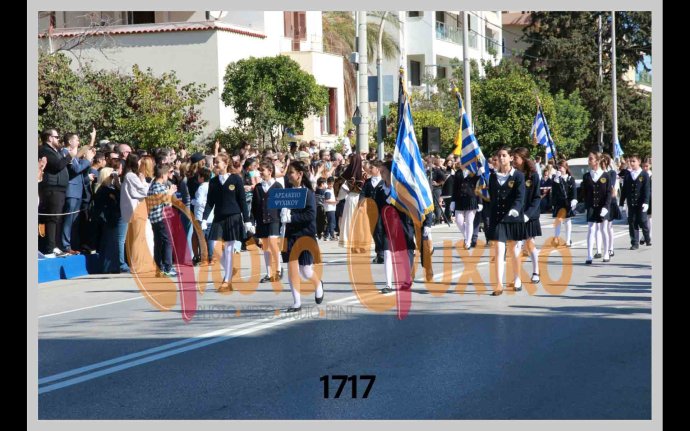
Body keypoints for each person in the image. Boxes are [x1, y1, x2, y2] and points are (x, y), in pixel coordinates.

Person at [200, 154, 250, 291]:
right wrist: (204, 218)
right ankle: (229, 269)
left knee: (228, 248)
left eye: (218, 162)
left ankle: (227, 280)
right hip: (218, 217)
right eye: (215, 162)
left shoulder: (236, 179)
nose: (215, 165)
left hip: (233, 217)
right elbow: (210, 202)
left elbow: (242, 201)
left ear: (226, 163)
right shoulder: (213, 181)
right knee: (214, 247)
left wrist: (247, 220)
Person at [280, 161, 325, 312]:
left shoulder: (308, 193)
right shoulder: (286, 193)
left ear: (299, 174)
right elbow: (277, 209)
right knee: (292, 269)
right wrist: (281, 213)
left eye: (291, 172)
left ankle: (318, 284)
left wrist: (291, 217)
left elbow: (311, 215)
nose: (288, 175)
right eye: (288, 173)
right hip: (290, 235)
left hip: (306, 235)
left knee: (305, 270)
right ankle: (297, 302)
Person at [487, 147, 526, 295]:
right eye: (499, 155)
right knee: (499, 249)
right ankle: (498, 284)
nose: (501, 158)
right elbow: (492, 197)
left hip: (513, 217)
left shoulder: (518, 176)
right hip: (498, 218)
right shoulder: (493, 176)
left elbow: (520, 196)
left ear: (511, 158)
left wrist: (515, 209)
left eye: (504, 155)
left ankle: (517, 278)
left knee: (514, 250)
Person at [512, 147, 542, 283]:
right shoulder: (513, 174)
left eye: (516, 157)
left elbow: (536, 198)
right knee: (516, 246)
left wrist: (528, 214)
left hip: (530, 215)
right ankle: (517, 276)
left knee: (530, 245)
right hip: (516, 215)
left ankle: (536, 271)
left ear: (523, 159)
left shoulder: (533, 176)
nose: (513, 160)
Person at [252, 160, 284, 283]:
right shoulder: (258, 187)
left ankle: (278, 269)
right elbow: (254, 206)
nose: (260, 172)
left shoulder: (278, 186)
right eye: (259, 170)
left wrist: (283, 218)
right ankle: (269, 273)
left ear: (270, 171)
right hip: (261, 220)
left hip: (274, 219)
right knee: (265, 246)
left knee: (272, 242)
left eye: (262, 170)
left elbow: (282, 204)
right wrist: (251, 222)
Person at [146, 164, 178, 277]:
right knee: (167, 241)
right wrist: (170, 193)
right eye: (168, 173)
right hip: (161, 218)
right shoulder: (158, 187)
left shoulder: (154, 186)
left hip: (157, 218)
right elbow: (165, 202)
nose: (168, 176)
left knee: (159, 242)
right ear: (163, 175)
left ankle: (159, 268)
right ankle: (167, 267)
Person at [582, 152, 612, 263]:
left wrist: (606, 207)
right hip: (591, 206)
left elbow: (609, 193)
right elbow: (584, 193)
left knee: (604, 229)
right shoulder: (586, 176)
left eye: (591, 159)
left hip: (603, 206)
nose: (589, 161)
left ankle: (606, 253)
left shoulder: (606, 175)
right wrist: (584, 205)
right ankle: (589, 255)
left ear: (597, 161)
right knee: (591, 229)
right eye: (589, 158)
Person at [619, 154, 651, 250]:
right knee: (632, 222)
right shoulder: (628, 175)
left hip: (641, 203)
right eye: (630, 161)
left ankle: (647, 237)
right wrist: (621, 203)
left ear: (639, 162)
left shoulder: (644, 174)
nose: (632, 163)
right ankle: (634, 243)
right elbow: (624, 190)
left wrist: (646, 202)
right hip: (631, 203)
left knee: (643, 221)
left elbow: (646, 189)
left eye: (634, 161)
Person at [450, 162, 481, 250]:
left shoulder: (474, 171)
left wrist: (480, 201)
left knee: (469, 222)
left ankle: (467, 242)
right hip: (459, 199)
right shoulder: (458, 172)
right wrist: (453, 201)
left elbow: (479, 186)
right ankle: (467, 237)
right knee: (458, 221)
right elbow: (455, 188)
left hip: (471, 199)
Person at [551, 160, 577, 247]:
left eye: (561, 167)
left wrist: (574, 199)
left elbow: (573, 190)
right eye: (558, 167)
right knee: (558, 221)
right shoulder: (556, 178)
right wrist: (556, 179)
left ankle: (568, 240)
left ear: (566, 168)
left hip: (567, 202)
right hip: (559, 202)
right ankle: (556, 239)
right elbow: (554, 191)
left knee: (567, 220)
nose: (560, 168)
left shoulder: (570, 178)